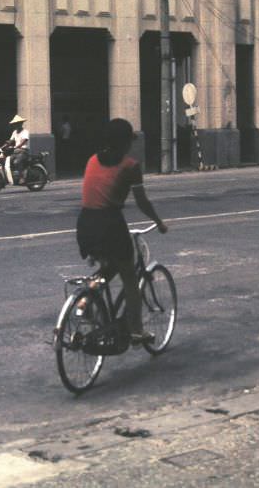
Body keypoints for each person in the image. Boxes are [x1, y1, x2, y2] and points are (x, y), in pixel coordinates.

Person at [76, 118, 168, 346]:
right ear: (126, 142)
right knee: (129, 277)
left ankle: (87, 298)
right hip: (109, 224)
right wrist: (158, 221)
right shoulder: (130, 166)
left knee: (110, 266)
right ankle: (137, 331)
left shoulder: (92, 160)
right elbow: (142, 202)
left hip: (85, 224)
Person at [3, 114, 30, 183]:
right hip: (15, 151)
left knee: (16, 162)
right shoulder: (14, 132)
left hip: (24, 151)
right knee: (7, 160)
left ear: (21, 123)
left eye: (18, 123)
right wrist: (3, 146)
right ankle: (11, 176)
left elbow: (24, 141)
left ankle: (22, 177)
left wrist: (17, 146)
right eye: (15, 124)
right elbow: (10, 141)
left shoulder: (25, 132)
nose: (17, 125)